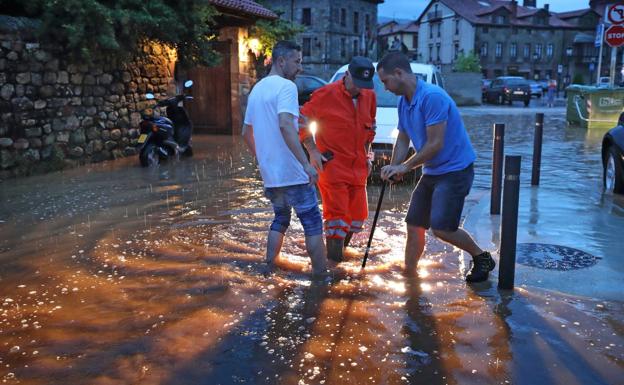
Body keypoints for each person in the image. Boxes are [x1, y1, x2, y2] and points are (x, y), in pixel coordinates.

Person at [376, 52, 494, 282]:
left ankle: (482, 258)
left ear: (399, 73)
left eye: (385, 81)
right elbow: (402, 138)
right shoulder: (404, 102)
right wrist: (393, 166)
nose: (385, 87)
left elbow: (435, 144)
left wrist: (406, 167)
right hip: (433, 171)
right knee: (414, 224)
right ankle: (409, 275)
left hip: (455, 170)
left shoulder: (432, 97)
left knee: (442, 228)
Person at [241, 41, 327, 276]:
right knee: (312, 222)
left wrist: (262, 159)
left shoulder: (257, 89)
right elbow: (285, 125)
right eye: (297, 61)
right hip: (291, 172)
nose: (300, 67)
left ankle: (270, 265)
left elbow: (246, 132)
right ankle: (321, 278)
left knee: (281, 218)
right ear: (281, 61)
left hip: (271, 174)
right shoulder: (286, 88)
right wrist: (305, 164)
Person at [299, 56, 377, 262]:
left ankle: (337, 254)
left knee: (357, 218)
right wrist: (313, 151)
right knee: (337, 221)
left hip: (359, 167)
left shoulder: (369, 96)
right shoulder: (325, 95)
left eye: (364, 85)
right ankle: (334, 268)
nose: (359, 89)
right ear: (347, 75)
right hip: (332, 166)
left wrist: (368, 155)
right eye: (357, 83)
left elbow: (370, 129)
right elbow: (302, 121)